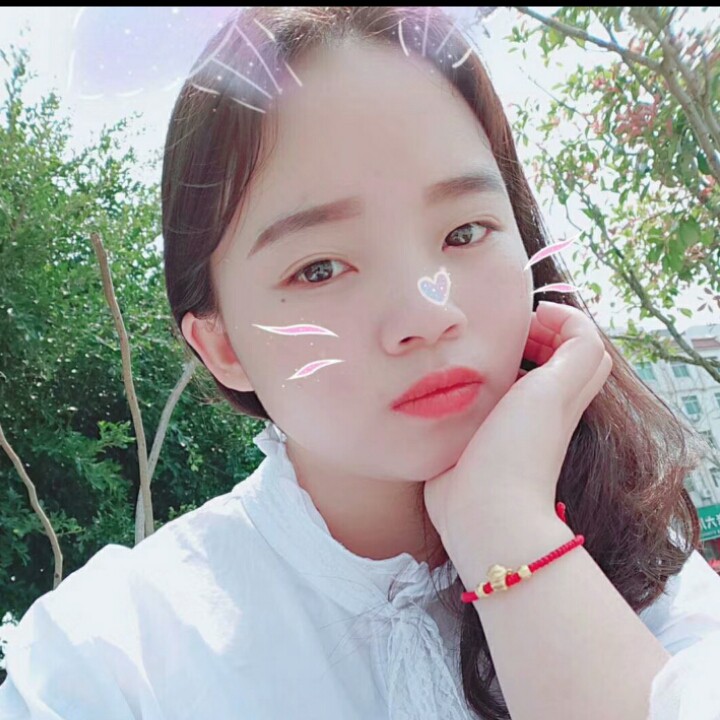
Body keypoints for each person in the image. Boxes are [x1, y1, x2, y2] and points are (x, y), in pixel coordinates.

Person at [2, 6, 720, 719]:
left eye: (465, 232)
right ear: (221, 347)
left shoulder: (644, 563)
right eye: (319, 268)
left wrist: (505, 523)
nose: (428, 314)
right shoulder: (111, 661)